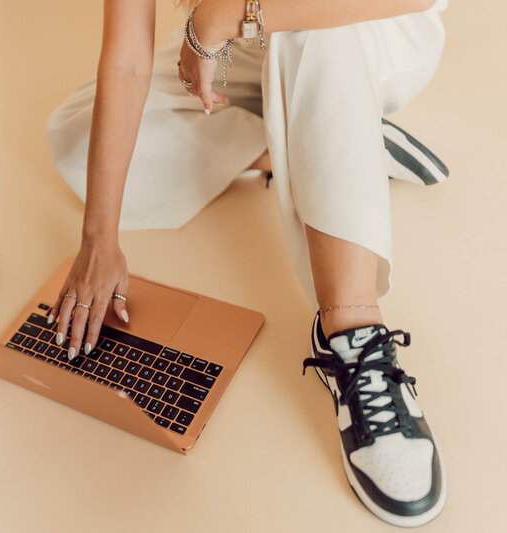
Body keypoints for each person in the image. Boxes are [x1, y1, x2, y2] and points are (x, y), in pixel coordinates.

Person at [44, 0, 448, 526]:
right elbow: (126, 61)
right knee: (77, 136)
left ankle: (353, 334)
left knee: (302, 31)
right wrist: (99, 238)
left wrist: (235, 14)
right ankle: (336, 148)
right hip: (248, 46)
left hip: (361, 29)